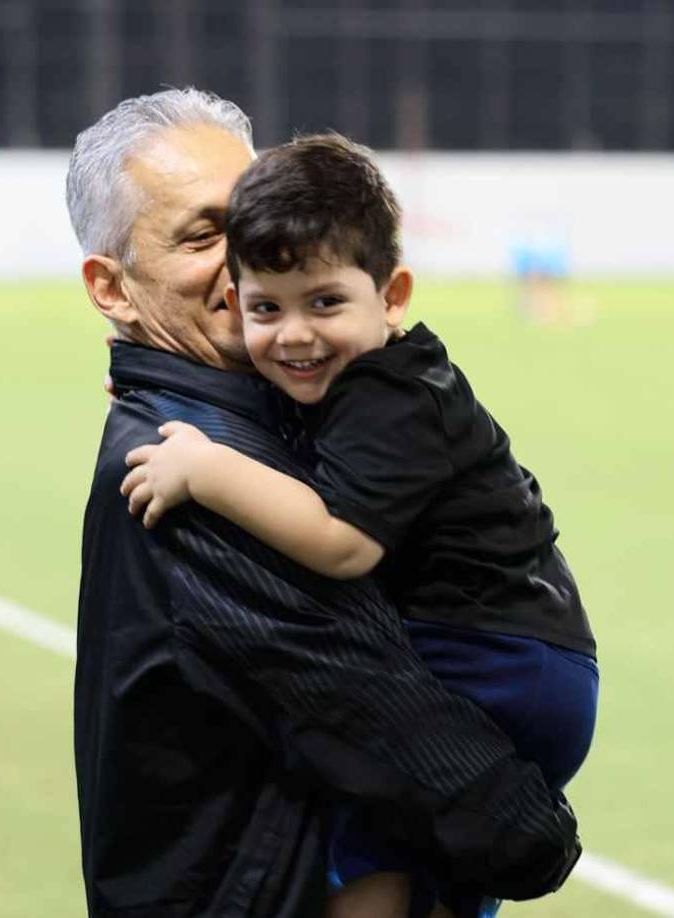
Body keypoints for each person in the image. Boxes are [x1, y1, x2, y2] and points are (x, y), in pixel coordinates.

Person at [68, 89, 580, 917]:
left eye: (250, 225)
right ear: (113, 288)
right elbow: (365, 691)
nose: (247, 263)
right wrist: (528, 834)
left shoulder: (255, 418)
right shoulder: (190, 471)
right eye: (204, 237)